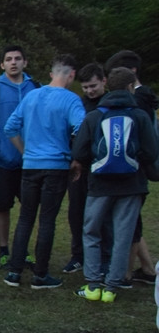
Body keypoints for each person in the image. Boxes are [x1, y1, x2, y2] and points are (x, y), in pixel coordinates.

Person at [71, 67, 158, 302]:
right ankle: (111, 287)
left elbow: (79, 151)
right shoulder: (140, 115)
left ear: (107, 85)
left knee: (91, 232)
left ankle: (92, 284)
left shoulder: (95, 116)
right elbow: (151, 152)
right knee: (123, 235)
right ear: (131, 87)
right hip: (132, 185)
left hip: (99, 184)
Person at [2, 54, 85, 289]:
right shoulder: (71, 100)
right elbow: (81, 129)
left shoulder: (31, 96)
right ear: (71, 75)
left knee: (26, 217)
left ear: (52, 74)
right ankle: (40, 274)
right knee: (47, 219)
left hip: (30, 165)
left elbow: (10, 127)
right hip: (56, 166)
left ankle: (15, 271)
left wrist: (25, 151)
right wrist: (76, 159)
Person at [104, 50, 159, 285]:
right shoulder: (142, 98)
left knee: (131, 223)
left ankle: (124, 273)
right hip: (137, 167)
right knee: (131, 219)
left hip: (135, 168)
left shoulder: (139, 101)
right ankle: (147, 269)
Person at [0, 45, 40, 269]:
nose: (13, 62)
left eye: (17, 59)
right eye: (9, 59)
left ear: (25, 62)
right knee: (2, 206)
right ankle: (4, 250)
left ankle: (24, 250)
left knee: (30, 206)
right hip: (3, 162)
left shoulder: (36, 88)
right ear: (2, 64)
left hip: (32, 161)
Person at [63, 63, 108, 275]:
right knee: (76, 211)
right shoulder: (79, 104)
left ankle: (103, 257)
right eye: (86, 87)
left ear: (104, 82)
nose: (90, 91)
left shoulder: (110, 105)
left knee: (103, 214)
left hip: (104, 168)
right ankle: (78, 255)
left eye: (93, 86)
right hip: (79, 167)